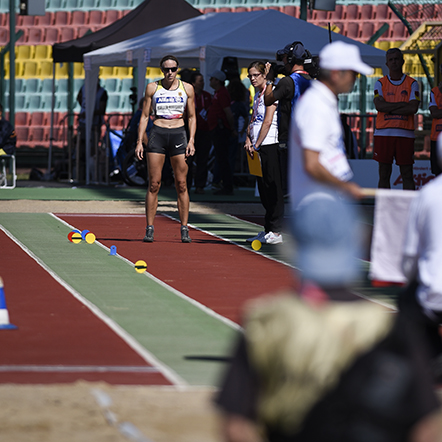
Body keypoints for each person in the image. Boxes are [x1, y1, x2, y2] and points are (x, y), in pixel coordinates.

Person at [215, 170, 441, 442]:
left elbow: (236, 426)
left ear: (293, 246)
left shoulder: (265, 321)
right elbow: (425, 428)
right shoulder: (391, 327)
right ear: (358, 239)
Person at [135, 55, 196, 243]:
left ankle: (184, 227)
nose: (170, 73)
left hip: (178, 133)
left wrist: (192, 140)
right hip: (158, 133)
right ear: (162, 70)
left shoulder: (187, 88)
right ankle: (150, 228)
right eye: (166, 69)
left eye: (173, 69)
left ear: (178, 69)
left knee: (181, 184)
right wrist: (139, 141)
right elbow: (144, 115)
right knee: (154, 183)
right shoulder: (153, 87)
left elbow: (192, 116)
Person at [401, 134, 442, 364]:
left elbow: (409, 260)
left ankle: (432, 355)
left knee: (406, 302)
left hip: (434, 295)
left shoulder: (426, 195)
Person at [264, 41, 311, 195]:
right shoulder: (311, 80)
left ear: (291, 59)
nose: (282, 61)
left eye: (284, 58)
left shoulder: (287, 82)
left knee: (286, 184)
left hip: (290, 135)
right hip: (307, 135)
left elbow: (268, 100)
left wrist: (270, 79)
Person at [244, 61, 283, 245]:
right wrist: (248, 139)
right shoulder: (257, 94)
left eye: (255, 75)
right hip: (257, 145)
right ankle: (268, 229)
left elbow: (267, 121)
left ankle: (276, 230)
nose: (252, 78)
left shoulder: (271, 91)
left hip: (268, 144)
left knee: (272, 186)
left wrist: (257, 144)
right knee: (263, 188)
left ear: (264, 75)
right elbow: (254, 118)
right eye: (249, 75)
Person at [373, 48, 420, 190]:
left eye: (396, 59)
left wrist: (389, 106)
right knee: (384, 174)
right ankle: (384, 210)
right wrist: (402, 104)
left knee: (407, 174)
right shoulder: (380, 83)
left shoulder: (413, 83)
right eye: (391, 59)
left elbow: (413, 108)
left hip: (405, 134)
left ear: (402, 61)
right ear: (387, 63)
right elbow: (379, 106)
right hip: (383, 134)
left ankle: (409, 210)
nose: (394, 62)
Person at [207, 70, 237, 196]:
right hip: (218, 128)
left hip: (221, 129)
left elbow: (228, 112)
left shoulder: (222, 93)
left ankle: (227, 185)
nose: (210, 81)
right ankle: (225, 184)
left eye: (212, 78)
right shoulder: (219, 93)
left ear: (217, 81)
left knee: (222, 158)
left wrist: (232, 128)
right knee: (221, 158)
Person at [76, 79, 108, 181]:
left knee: (93, 150)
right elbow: (79, 97)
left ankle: (94, 176)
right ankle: (81, 174)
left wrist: (90, 113)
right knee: (81, 148)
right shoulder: (84, 88)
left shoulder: (102, 92)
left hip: (95, 124)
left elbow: (102, 110)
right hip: (83, 123)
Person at [188, 71, 212, 194]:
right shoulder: (188, 96)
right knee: (188, 159)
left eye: (203, 81)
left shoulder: (207, 96)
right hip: (190, 132)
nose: (203, 83)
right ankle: (185, 185)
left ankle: (199, 186)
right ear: (193, 83)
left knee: (202, 159)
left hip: (204, 132)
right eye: (200, 81)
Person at [227, 77, 249, 178]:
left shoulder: (233, 103)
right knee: (231, 156)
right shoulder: (237, 104)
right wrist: (241, 130)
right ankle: (228, 178)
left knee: (229, 156)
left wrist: (240, 130)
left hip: (230, 131)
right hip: (232, 131)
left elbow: (245, 118)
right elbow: (246, 118)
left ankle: (227, 179)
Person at [429, 63, 442, 176]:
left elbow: (438, 112)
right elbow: (434, 113)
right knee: (437, 175)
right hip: (436, 138)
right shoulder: (435, 91)